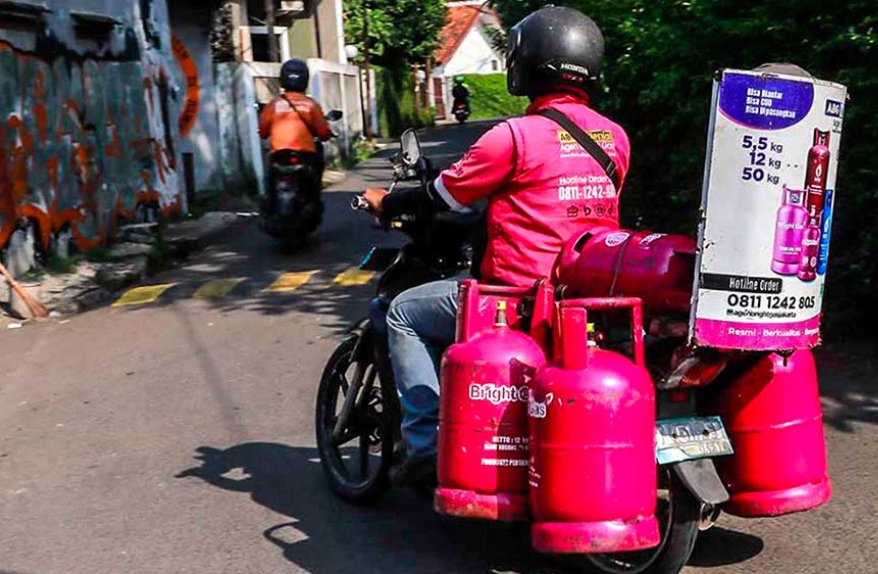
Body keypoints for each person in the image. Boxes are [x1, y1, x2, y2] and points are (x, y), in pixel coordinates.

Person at [360, 5, 630, 486]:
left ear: (527, 65)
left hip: (513, 297)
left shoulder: (513, 136)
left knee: (402, 311)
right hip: (581, 299)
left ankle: (424, 447)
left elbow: (439, 195)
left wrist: (386, 201)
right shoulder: (615, 138)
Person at [258, 59, 333, 182]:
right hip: (305, 154)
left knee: (271, 179)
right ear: (305, 79)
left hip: (278, 154)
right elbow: (323, 133)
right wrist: (326, 135)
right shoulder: (311, 105)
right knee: (313, 178)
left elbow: (263, 132)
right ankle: (314, 197)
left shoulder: (272, 105)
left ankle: (270, 197)